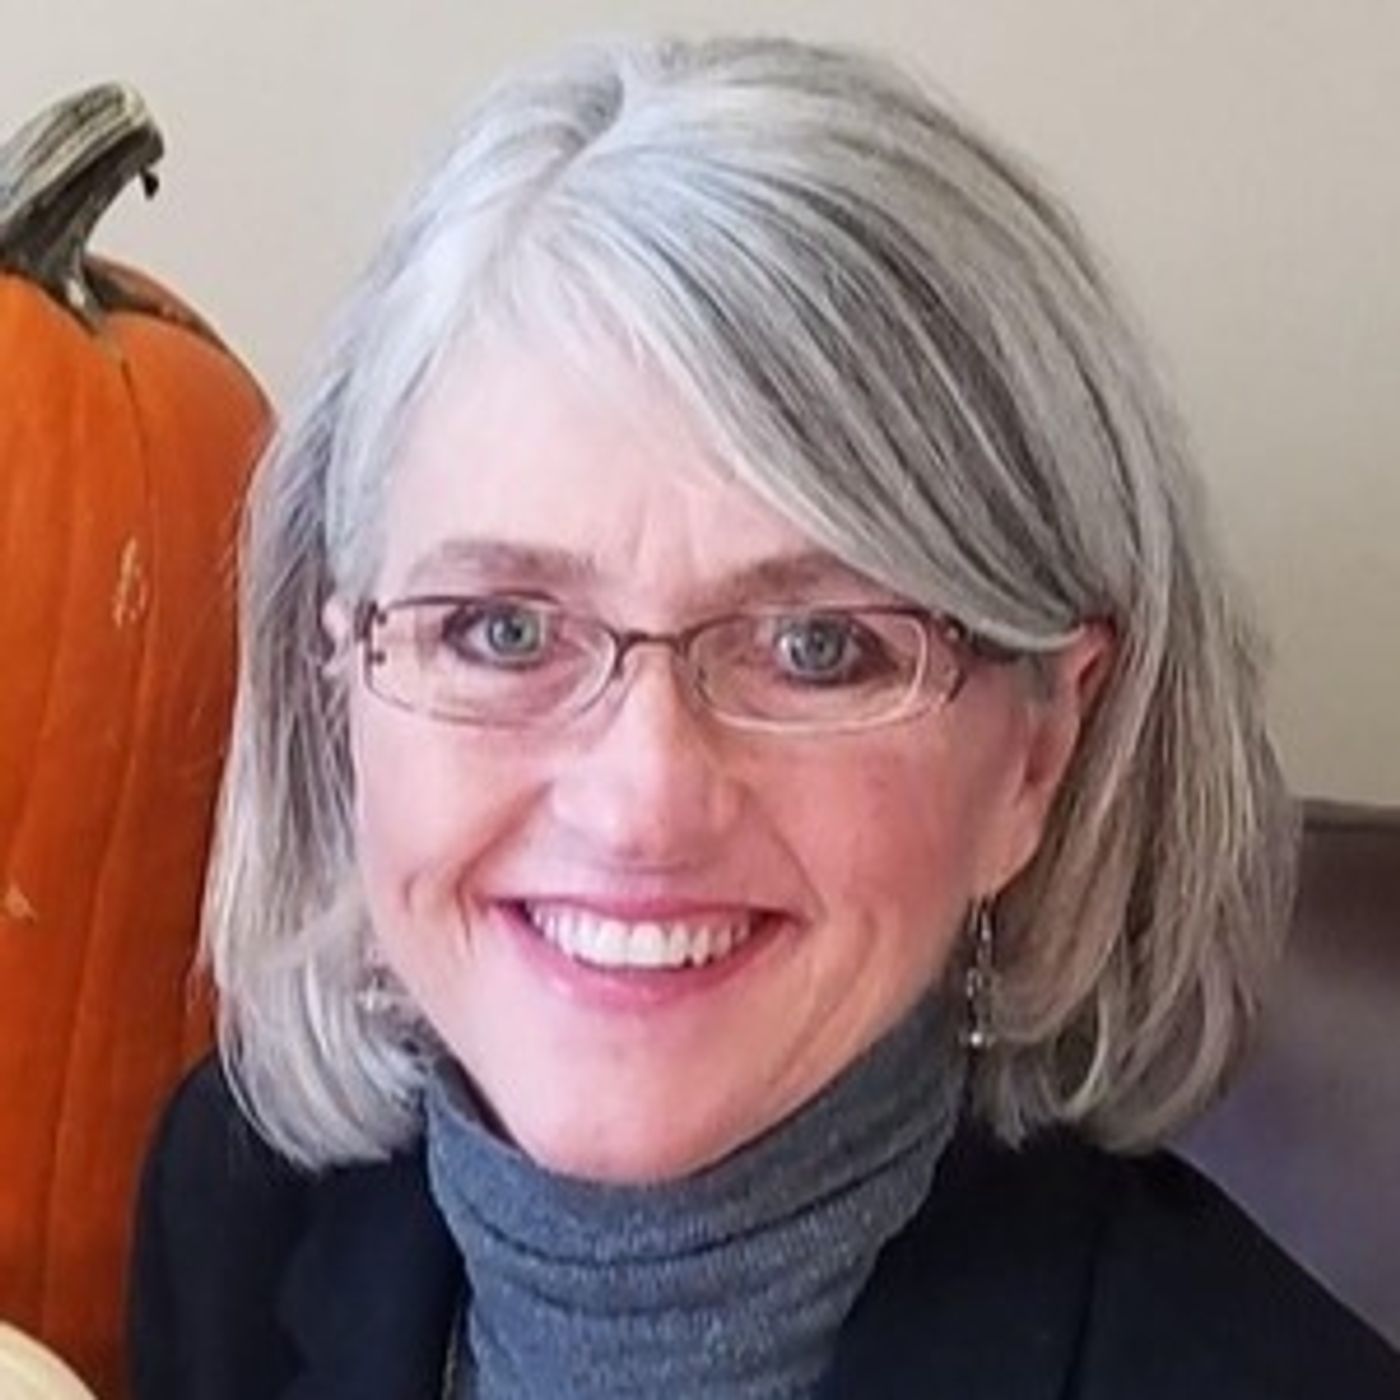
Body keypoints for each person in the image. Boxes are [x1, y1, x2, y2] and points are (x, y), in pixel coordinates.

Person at [128, 35, 1399, 1400]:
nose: (642, 803)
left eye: (817, 648)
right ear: (342, 687)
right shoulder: (237, 1212)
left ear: (1038, 752)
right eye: (503, 629)